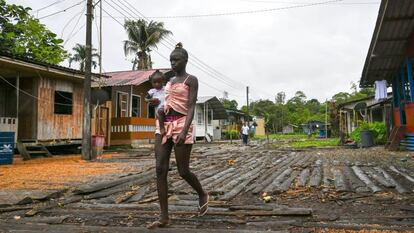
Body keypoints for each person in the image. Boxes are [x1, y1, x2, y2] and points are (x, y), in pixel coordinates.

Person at [148, 43, 209, 229]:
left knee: (183, 171)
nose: (173, 63)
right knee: (160, 168)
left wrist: (184, 131)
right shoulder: (169, 80)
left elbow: (191, 107)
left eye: (176, 60)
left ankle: (202, 194)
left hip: (182, 123)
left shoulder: (191, 80)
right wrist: (156, 104)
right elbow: (164, 99)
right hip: (164, 123)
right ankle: (164, 217)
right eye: (171, 60)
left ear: (185, 60)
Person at [145, 70, 166, 135]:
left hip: (167, 108)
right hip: (158, 110)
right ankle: (161, 128)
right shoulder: (152, 91)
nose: (157, 84)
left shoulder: (166, 89)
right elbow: (145, 99)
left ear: (163, 82)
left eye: (159, 82)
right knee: (160, 115)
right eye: (154, 82)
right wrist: (151, 100)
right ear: (151, 82)